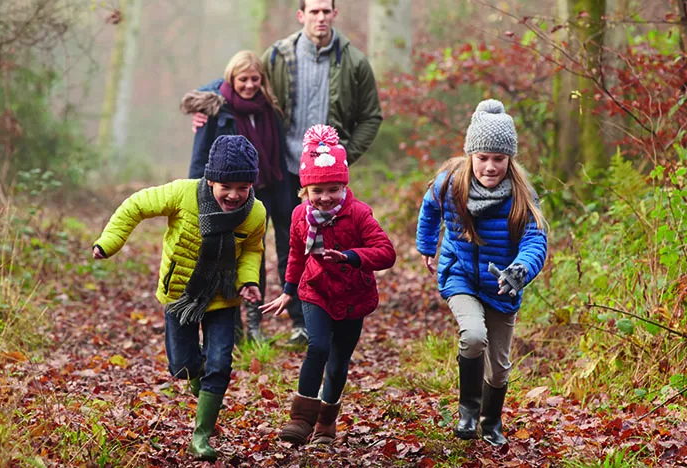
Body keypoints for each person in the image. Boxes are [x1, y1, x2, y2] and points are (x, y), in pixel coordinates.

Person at [193, 0, 384, 345]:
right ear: (302, 15)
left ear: (334, 15)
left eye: (327, 11)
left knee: (305, 246)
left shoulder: (354, 61)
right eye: (314, 11)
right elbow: (238, 79)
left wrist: (343, 157)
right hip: (279, 169)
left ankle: (306, 322)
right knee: (256, 241)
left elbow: (372, 116)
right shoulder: (279, 55)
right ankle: (251, 321)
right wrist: (204, 103)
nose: (321, 17)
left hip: (324, 178)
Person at [92, 135, 267, 461]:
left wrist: (248, 281)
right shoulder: (182, 193)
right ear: (211, 179)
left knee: (220, 363)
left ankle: (200, 437)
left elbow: (252, 251)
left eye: (243, 186)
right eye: (226, 185)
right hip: (180, 295)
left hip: (224, 299)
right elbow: (136, 206)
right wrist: (110, 241)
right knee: (183, 366)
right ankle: (204, 390)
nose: (234, 195)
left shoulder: (255, 213)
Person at [415, 99, 548, 446]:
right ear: (470, 154)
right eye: (483, 158)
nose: (490, 167)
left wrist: (520, 271)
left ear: (509, 159)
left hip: (503, 285)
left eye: (499, 159)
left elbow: (536, 240)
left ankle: (491, 422)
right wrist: (427, 246)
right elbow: (429, 209)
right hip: (459, 275)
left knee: (500, 367)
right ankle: (468, 414)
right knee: (473, 336)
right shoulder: (450, 184)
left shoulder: (521, 195)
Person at [260, 124, 396, 445]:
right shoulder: (299, 217)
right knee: (317, 346)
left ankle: (325, 423)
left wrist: (350, 256)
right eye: (316, 191)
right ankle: (301, 419)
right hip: (315, 291)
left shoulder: (359, 214)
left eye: (333, 189)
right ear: (305, 191)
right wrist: (288, 291)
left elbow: (386, 253)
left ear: (344, 186)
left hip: (353, 297)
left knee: (337, 364)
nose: (324, 198)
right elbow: (295, 254)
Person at [181, 50, 292, 344]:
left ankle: (255, 324)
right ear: (232, 78)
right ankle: (232, 328)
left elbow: (277, 155)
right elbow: (199, 157)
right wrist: (197, 197)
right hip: (225, 196)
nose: (249, 85)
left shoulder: (269, 108)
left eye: (255, 79)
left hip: (263, 193)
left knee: (255, 255)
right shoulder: (216, 109)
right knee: (228, 257)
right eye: (243, 79)